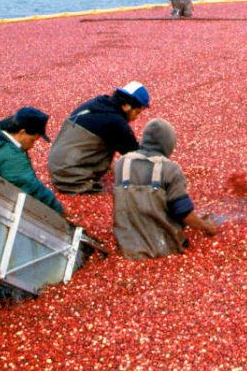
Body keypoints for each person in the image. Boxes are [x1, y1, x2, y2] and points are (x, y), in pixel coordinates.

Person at [111, 119, 218, 258]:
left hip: (126, 245)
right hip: (162, 247)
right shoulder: (170, 169)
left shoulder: (122, 163)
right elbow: (184, 214)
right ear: (168, 143)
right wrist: (205, 226)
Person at [48, 81, 150, 195]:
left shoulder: (99, 103)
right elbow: (136, 155)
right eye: (137, 112)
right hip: (71, 180)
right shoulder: (116, 122)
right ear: (126, 105)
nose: (136, 117)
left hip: (56, 167)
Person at [0, 106, 65, 216]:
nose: (32, 146)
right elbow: (30, 186)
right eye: (32, 140)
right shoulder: (10, 156)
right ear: (22, 132)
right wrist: (59, 211)